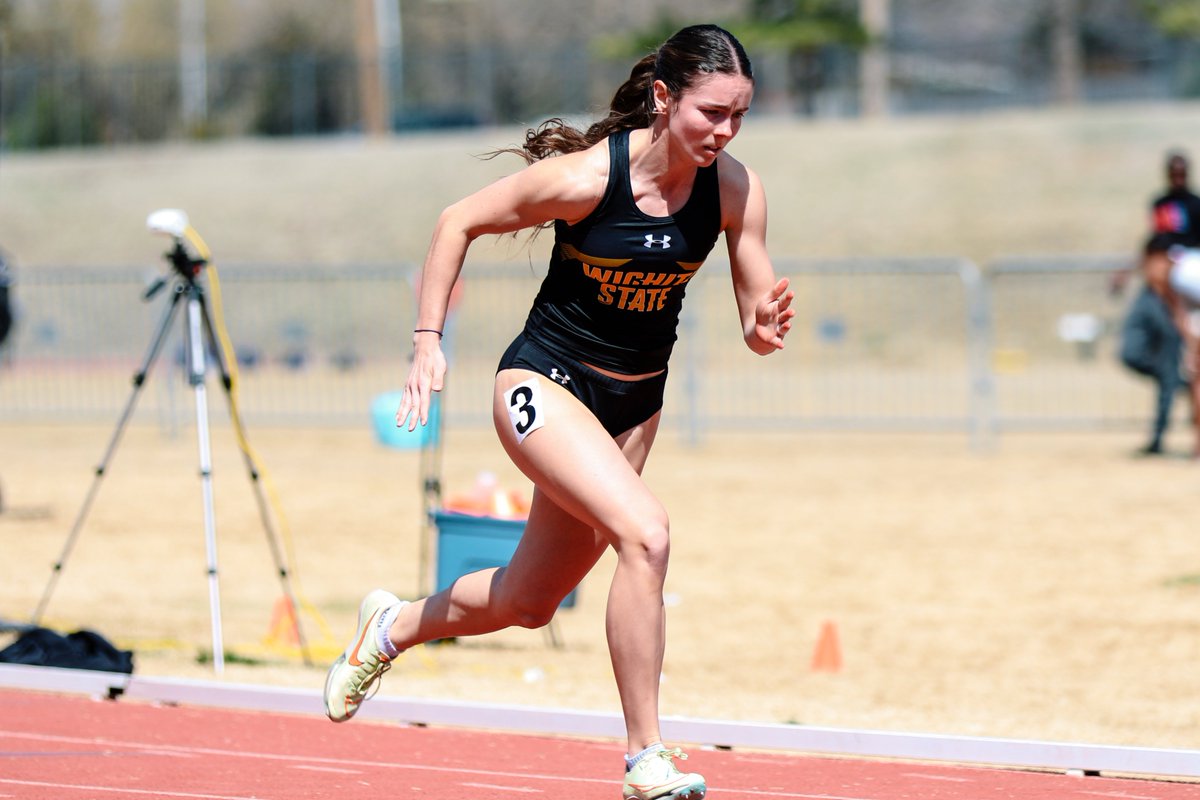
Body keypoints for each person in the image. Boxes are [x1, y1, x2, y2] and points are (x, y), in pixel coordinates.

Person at [323, 23, 794, 800]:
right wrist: (427, 340)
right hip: (545, 385)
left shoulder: (735, 190)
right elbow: (457, 221)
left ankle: (392, 626)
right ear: (664, 97)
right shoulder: (585, 179)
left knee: (529, 600)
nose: (726, 131)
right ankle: (646, 756)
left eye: (739, 115)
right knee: (647, 536)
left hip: (634, 404)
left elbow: (754, 312)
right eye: (712, 112)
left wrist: (763, 327)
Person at [1120, 234, 1189, 455]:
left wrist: (1178, 317)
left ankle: (1158, 439)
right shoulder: (1155, 254)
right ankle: (1182, 383)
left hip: (1166, 309)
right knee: (1133, 355)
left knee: (1168, 377)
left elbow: (1169, 286)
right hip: (1154, 303)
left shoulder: (1175, 260)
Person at [1135, 233, 1200, 457]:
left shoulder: (1188, 274)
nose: (1147, 273)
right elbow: (1181, 316)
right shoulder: (1175, 280)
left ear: (1160, 257)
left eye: (1148, 264)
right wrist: (1192, 346)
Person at [1112, 151, 1200, 296]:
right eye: (1174, 174)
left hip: (1190, 258)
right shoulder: (1161, 204)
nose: (1178, 180)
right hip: (1167, 256)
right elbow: (1158, 237)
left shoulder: (1196, 203)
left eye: (1181, 174)